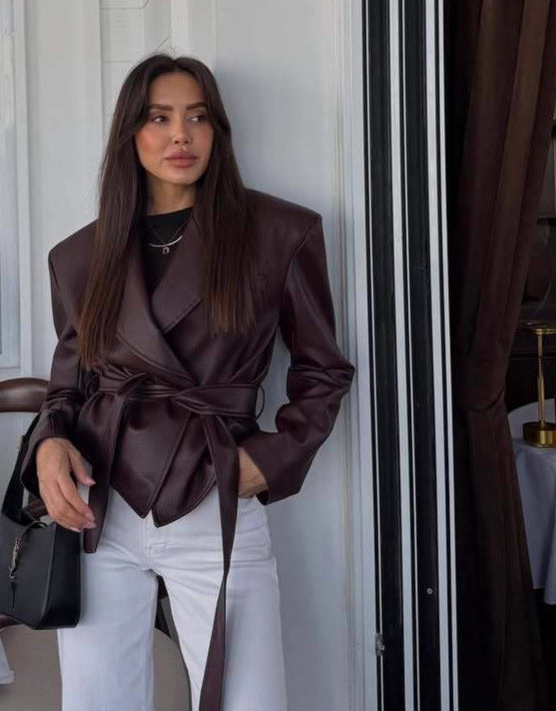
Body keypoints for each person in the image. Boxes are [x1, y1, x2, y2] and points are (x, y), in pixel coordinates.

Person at [20, 53, 355, 711]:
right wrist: (49, 444)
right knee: (99, 701)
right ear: (130, 134)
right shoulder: (79, 256)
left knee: (250, 699)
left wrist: (268, 459)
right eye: (159, 118)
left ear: (218, 131)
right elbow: (67, 390)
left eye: (198, 118)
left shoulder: (278, 234)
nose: (181, 135)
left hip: (214, 495)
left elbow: (323, 370)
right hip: (102, 502)